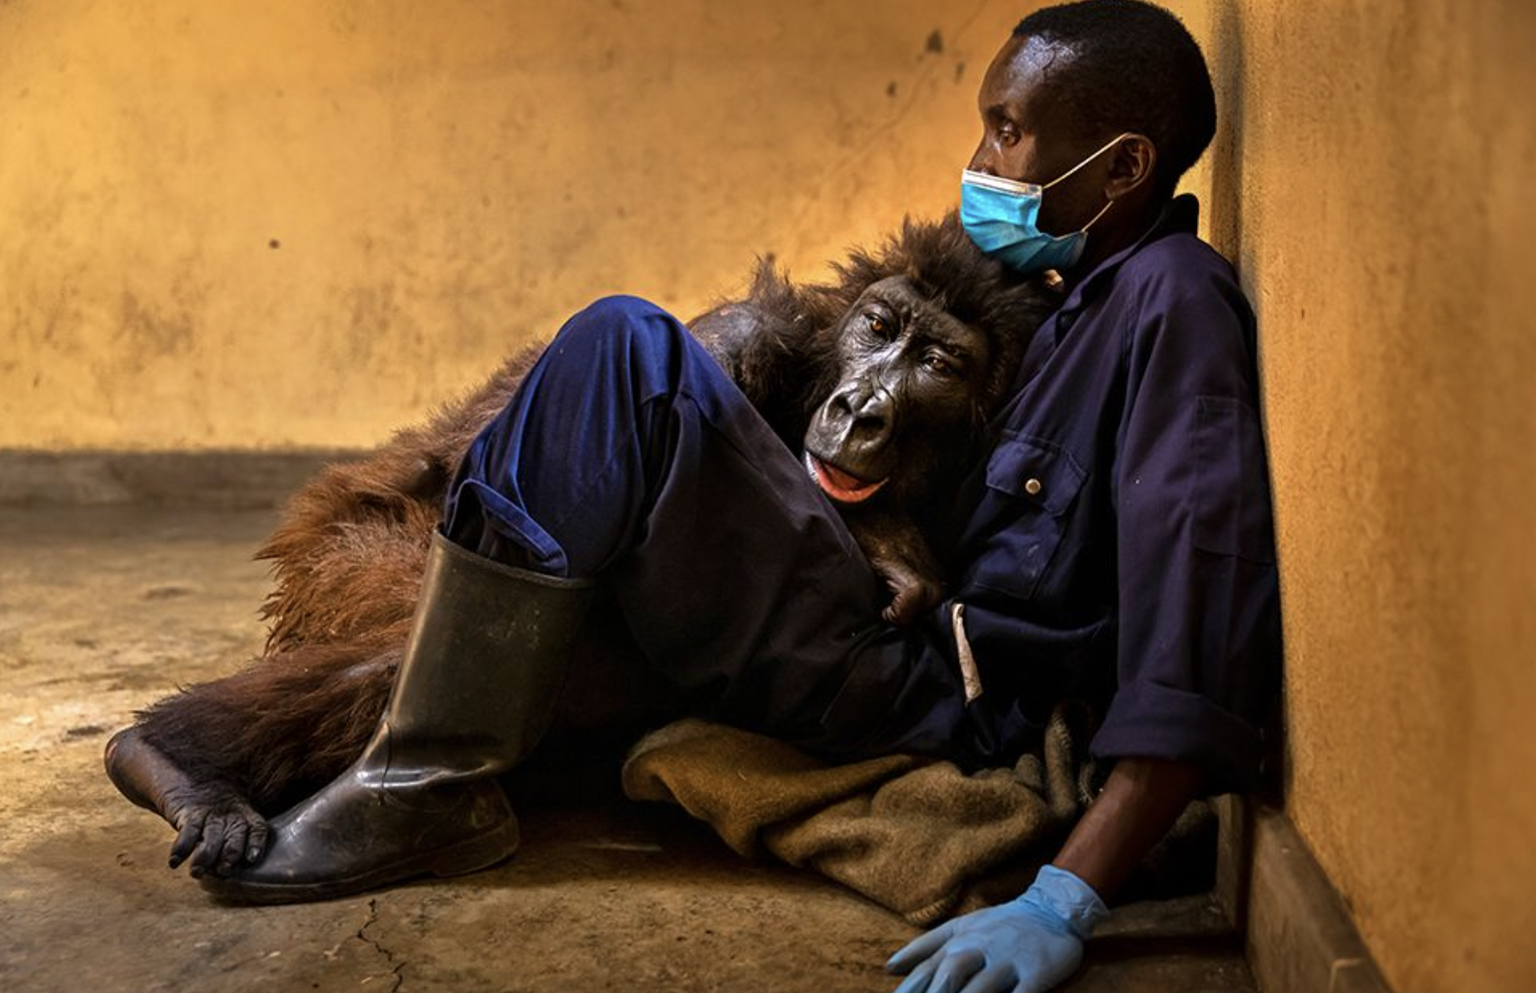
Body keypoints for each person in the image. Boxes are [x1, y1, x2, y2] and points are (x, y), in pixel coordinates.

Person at [199, 2, 1280, 990]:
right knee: (629, 360)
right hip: (875, 623)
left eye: (1007, 131)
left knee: (627, 351)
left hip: (924, 694)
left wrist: (1065, 898)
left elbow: (1198, 618)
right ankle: (420, 747)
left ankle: (422, 786)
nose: (980, 159)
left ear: (1122, 165)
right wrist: (892, 529)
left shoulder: (1171, 307)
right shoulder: (1060, 298)